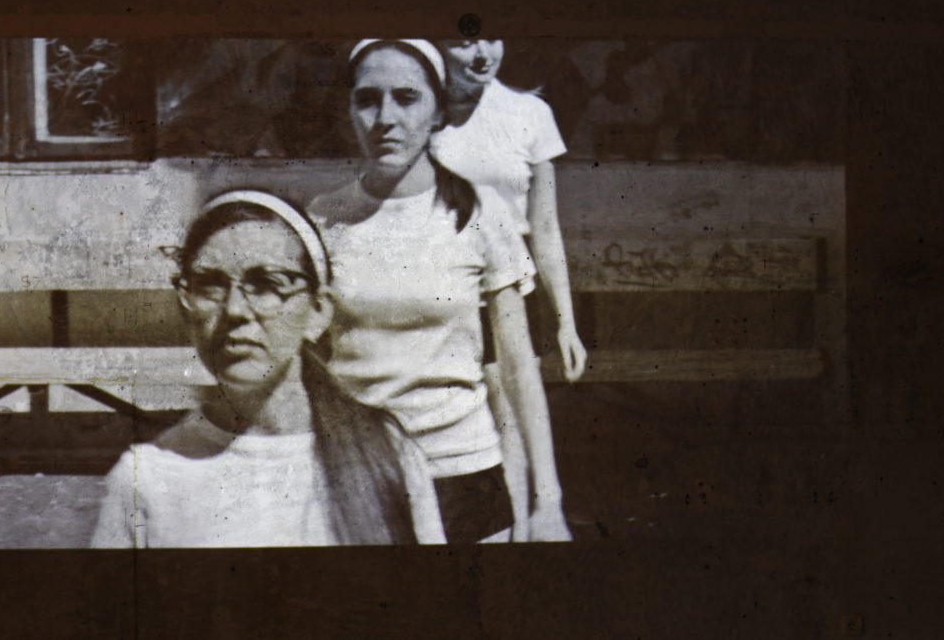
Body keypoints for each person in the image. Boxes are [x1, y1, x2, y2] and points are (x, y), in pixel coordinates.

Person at [308, 39, 571, 542]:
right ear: (349, 112)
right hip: (360, 477)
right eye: (368, 100)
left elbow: (518, 369)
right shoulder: (323, 219)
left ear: (438, 113)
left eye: (407, 98)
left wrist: (548, 503)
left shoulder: (480, 210)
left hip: (465, 476)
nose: (386, 118)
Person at [91, 189, 445, 547]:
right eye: (210, 286)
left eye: (266, 285)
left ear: (318, 311)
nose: (235, 310)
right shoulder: (146, 479)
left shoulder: (387, 454)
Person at [429, 39, 588, 537]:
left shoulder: (530, 113)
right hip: (449, 287)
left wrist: (565, 321)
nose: (482, 54)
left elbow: (546, 228)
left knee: (512, 415)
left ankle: (533, 519)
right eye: (464, 42)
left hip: (512, 286)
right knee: (476, 422)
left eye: (491, 39)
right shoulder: (422, 115)